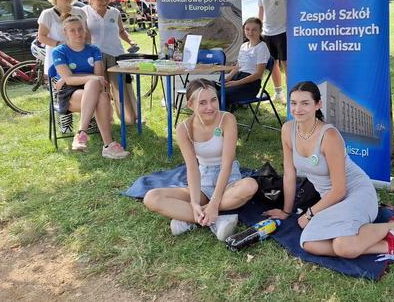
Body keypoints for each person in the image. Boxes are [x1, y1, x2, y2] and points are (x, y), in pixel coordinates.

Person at [264, 81, 394, 267]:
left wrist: (310, 213)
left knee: (343, 246)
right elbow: (289, 174)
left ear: (318, 105)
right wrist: (287, 212)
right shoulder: (287, 130)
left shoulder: (329, 136)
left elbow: (339, 190)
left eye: (305, 103)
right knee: (309, 243)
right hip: (330, 202)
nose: (297, 109)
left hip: (355, 193)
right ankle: (389, 243)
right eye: (293, 103)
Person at [143, 79, 258, 239]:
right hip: (203, 181)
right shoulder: (184, 129)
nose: (210, 107)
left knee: (250, 186)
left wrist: (214, 203)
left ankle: (191, 218)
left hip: (229, 180)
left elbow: (227, 164)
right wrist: (195, 202)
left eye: (213, 100)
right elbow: (192, 168)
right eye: (202, 103)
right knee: (151, 197)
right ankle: (215, 219)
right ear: (191, 105)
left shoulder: (227, 119)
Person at [52, 16, 130, 159]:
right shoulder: (59, 51)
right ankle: (108, 144)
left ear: (85, 30)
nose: (78, 33)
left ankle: (82, 133)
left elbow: (99, 76)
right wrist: (87, 77)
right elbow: (70, 80)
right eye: (72, 30)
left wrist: (79, 77)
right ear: (65, 32)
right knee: (96, 87)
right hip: (70, 93)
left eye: (80, 29)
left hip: (92, 90)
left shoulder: (94, 50)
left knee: (99, 92)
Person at [83, 0, 139, 124]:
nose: (104, 2)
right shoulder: (84, 12)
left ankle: (130, 117)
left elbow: (121, 31)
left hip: (116, 54)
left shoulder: (115, 12)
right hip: (95, 56)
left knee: (121, 88)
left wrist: (131, 42)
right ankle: (105, 118)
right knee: (100, 89)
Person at [37, 0, 87, 75]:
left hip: (79, 56)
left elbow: (86, 33)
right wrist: (61, 45)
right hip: (58, 59)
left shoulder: (80, 12)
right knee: (62, 88)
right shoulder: (48, 14)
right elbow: (41, 37)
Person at [221, 17, 270, 107]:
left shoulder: (261, 47)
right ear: (244, 30)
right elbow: (239, 65)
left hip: (251, 84)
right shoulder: (243, 46)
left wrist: (236, 83)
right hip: (238, 77)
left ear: (260, 31)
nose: (250, 32)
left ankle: (223, 118)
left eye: (254, 30)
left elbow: (258, 74)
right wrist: (228, 77)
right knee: (210, 88)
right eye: (247, 29)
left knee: (220, 95)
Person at [258, 0, 287, 104]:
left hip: (282, 31)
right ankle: (278, 93)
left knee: (285, 64)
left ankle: (291, 95)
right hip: (267, 33)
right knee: (272, 64)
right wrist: (258, 29)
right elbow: (261, 11)